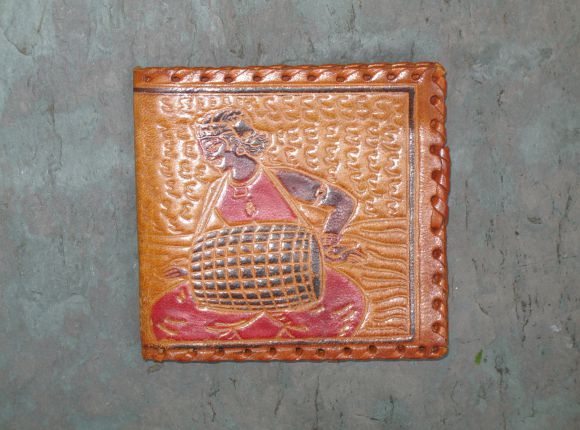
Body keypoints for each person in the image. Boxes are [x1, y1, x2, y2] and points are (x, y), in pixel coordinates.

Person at [152, 110, 366, 341]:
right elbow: (222, 250)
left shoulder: (282, 180)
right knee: (167, 317)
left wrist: (328, 240)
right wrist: (193, 270)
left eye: (212, 145)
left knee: (344, 310)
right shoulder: (217, 191)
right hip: (241, 283)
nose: (206, 155)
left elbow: (344, 202)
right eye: (202, 148)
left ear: (235, 144)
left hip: (296, 277)